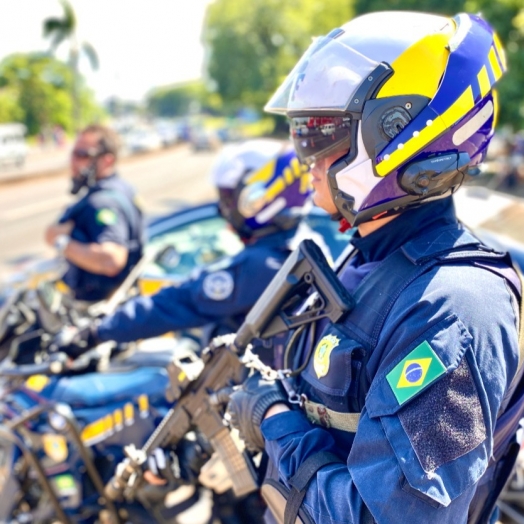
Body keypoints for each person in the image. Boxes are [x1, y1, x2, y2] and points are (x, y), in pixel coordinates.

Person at [226, 11, 523, 524]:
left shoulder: (454, 310)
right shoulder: (366, 258)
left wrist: (272, 421)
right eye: (304, 132)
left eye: (322, 133)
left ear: (396, 134)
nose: (308, 156)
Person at [58, 138, 312, 524]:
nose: (223, 207)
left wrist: (97, 331)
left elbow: (180, 300)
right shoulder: (293, 247)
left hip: (252, 420)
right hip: (262, 414)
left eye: (230, 196)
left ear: (259, 197)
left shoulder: (262, 264)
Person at [45, 124, 144, 303]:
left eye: (82, 155)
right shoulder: (122, 188)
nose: (73, 161)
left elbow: (112, 260)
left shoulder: (103, 202)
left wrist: (61, 241)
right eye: (73, 153)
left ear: (107, 160)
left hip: (99, 312)